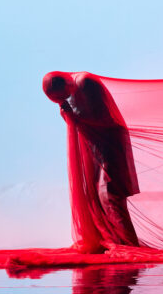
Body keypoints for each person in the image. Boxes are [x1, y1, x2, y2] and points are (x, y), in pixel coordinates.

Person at [43, 71, 140, 250]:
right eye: (57, 99)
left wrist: (74, 118)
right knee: (97, 195)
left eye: (61, 95)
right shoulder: (71, 89)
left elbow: (105, 118)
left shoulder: (86, 82)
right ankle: (119, 242)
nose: (64, 98)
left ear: (64, 84)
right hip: (94, 144)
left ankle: (130, 246)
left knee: (110, 194)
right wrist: (70, 117)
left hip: (110, 141)